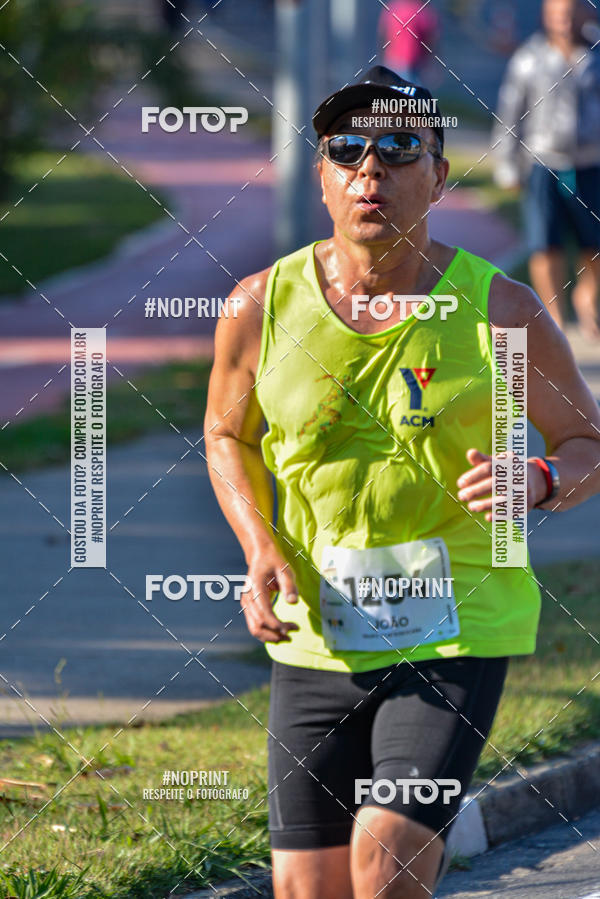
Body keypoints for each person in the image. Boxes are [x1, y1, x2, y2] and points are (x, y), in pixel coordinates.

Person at [205, 65, 600, 899]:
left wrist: (538, 477)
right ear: (322, 176)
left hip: (456, 625)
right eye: (346, 150)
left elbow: (585, 441)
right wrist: (259, 543)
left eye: (397, 147)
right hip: (318, 633)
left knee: (383, 861)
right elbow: (226, 434)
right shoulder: (256, 306)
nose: (369, 169)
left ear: (440, 175)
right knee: (307, 890)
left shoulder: (503, 309)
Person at [492, 0, 600, 339]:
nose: (565, 22)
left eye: (571, 14)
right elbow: (510, 113)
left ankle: (587, 294)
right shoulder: (529, 59)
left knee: (593, 245)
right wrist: (507, 166)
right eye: (558, 15)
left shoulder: (596, 56)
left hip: (590, 163)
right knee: (545, 244)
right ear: (546, 17)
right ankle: (556, 320)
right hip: (544, 164)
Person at [378, 0, 439, 83]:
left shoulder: (393, 8)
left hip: (399, 63)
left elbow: (383, 35)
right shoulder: (423, 12)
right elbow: (430, 41)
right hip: (407, 64)